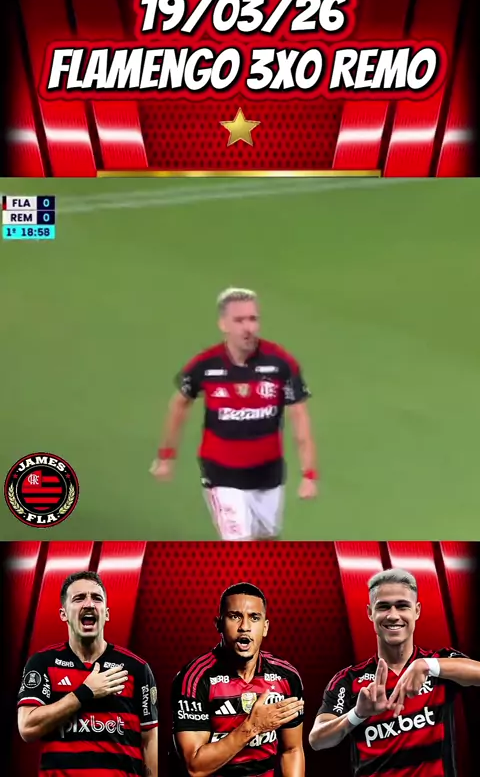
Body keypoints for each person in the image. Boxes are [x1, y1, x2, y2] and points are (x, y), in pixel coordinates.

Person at [150, 287, 318, 540]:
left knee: (268, 541)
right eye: (239, 320)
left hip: (268, 475)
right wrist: (166, 456)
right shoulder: (205, 365)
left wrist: (309, 474)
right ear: (223, 324)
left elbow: (300, 418)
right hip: (222, 476)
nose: (248, 328)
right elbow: (179, 406)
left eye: (253, 319)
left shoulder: (280, 363)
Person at [309, 568, 480, 776]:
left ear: (417, 611)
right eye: (383, 607)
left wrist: (427, 665)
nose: (392, 615)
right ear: (370, 613)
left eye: (402, 606)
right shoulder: (348, 679)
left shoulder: (440, 663)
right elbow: (317, 740)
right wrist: (357, 714)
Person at [17, 570, 158, 777]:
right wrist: (84, 693)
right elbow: (27, 728)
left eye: (97, 598)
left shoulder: (136, 667)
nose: (89, 604)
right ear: (63, 614)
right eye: (79, 598)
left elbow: (149, 739)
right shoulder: (43, 663)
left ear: (106, 614)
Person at [171, 582, 304, 777]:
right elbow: (195, 767)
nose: (244, 627)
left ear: (265, 627)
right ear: (219, 624)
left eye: (254, 618)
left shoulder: (286, 677)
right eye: (235, 616)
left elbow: (292, 750)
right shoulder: (194, 679)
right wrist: (253, 727)